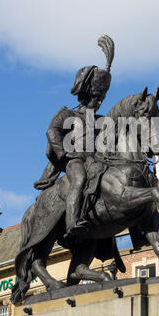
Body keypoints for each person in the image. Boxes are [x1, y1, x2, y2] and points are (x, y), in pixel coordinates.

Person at [34, 64, 112, 238]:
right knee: (80, 179)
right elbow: (52, 132)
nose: (99, 103)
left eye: (101, 99)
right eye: (96, 98)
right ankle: (72, 222)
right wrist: (64, 153)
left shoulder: (102, 121)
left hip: (96, 161)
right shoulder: (67, 114)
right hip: (74, 160)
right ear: (85, 96)